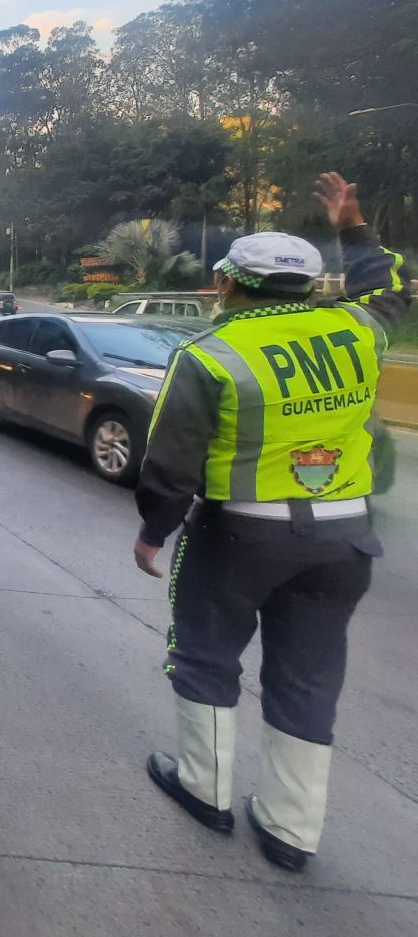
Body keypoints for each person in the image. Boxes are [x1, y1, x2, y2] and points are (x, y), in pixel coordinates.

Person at [135, 171, 410, 873]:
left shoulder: (210, 354)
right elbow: (391, 292)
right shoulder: (357, 328)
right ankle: (290, 830)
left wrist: (154, 530)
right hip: (344, 538)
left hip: (239, 537)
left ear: (228, 283)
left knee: (205, 656)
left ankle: (206, 788)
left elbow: (172, 464)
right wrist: (353, 226)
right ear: (310, 285)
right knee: (309, 678)